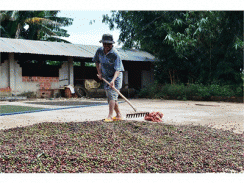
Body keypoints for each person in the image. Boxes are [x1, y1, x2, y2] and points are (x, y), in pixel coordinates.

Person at [92, 34, 125, 122]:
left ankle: (110, 116)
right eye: (104, 44)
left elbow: (118, 69)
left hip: (116, 77)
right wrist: (99, 73)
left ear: (112, 44)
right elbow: (96, 61)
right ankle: (118, 115)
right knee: (111, 97)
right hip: (106, 77)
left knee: (112, 96)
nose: (106, 46)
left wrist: (113, 81)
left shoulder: (115, 54)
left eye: (108, 44)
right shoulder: (99, 51)